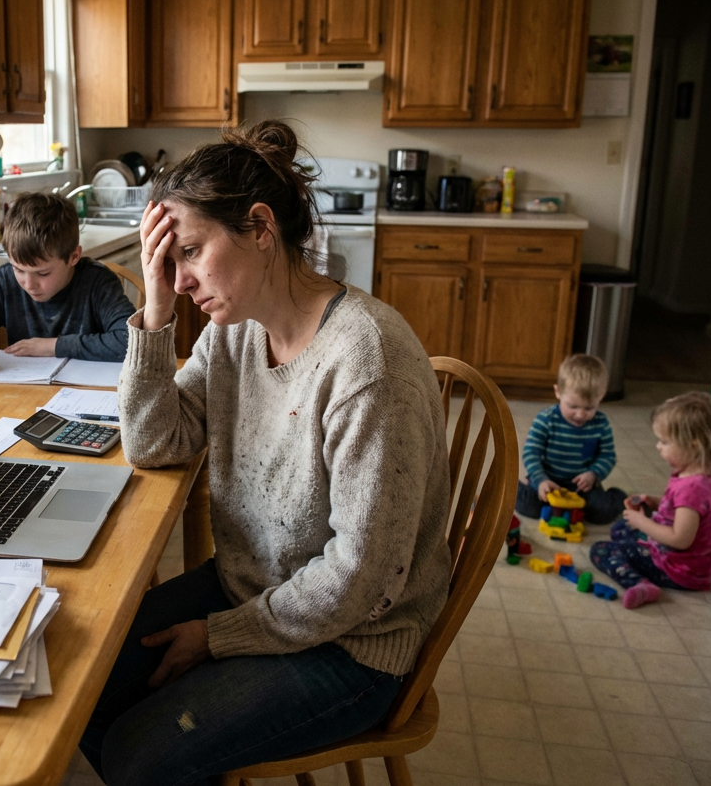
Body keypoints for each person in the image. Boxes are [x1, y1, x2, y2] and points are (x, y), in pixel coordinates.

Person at [77, 121, 453, 786]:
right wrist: (156, 316)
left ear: (259, 227)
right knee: (81, 679)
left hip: (353, 644)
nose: (184, 278)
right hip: (254, 587)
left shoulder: (366, 362)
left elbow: (359, 582)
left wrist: (218, 636)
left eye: (189, 251)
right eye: (171, 260)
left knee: (139, 756)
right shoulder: (235, 332)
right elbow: (155, 441)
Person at [0, 192, 136, 373]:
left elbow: (131, 341)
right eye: (19, 269)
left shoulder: (97, 282)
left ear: (73, 257)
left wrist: (53, 346)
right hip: (24, 396)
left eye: (43, 273)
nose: (28, 284)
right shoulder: (5, 281)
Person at [590, 392, 711, 610]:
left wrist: (643, 523)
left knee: (602, 549)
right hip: (697, 561)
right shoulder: (707, 474)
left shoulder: (693, 489)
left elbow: (680, 539)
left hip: (679, 568)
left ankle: (640, 584)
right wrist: (654, 502)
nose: (658, 447)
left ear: (693, 445)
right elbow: (689, 512)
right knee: (621, 528)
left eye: (665, 442)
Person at [514, 353, 627, 524]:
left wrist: (593, 474)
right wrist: (540, 480)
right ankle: (516, 487)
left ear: (600, 397)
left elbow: (608, 455)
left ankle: (618, 497)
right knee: (527, 506)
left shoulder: (601, 424)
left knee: (603, 512)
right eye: (572, 406)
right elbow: (531, 453)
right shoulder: (545, 419)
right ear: (558, 392)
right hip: (549, 480)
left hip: (582, 487)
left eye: (589, 407)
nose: (580, 414)